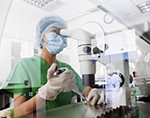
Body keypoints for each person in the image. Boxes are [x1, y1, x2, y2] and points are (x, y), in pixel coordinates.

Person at [2, 15, 102, 117]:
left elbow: (86, 90)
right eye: (55, 31)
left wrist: (93, 92)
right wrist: (47, 93)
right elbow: (18, 112)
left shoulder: (67, 69)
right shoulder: (25, 65)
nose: (59, 36)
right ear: (40, 37)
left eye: (62, 33)